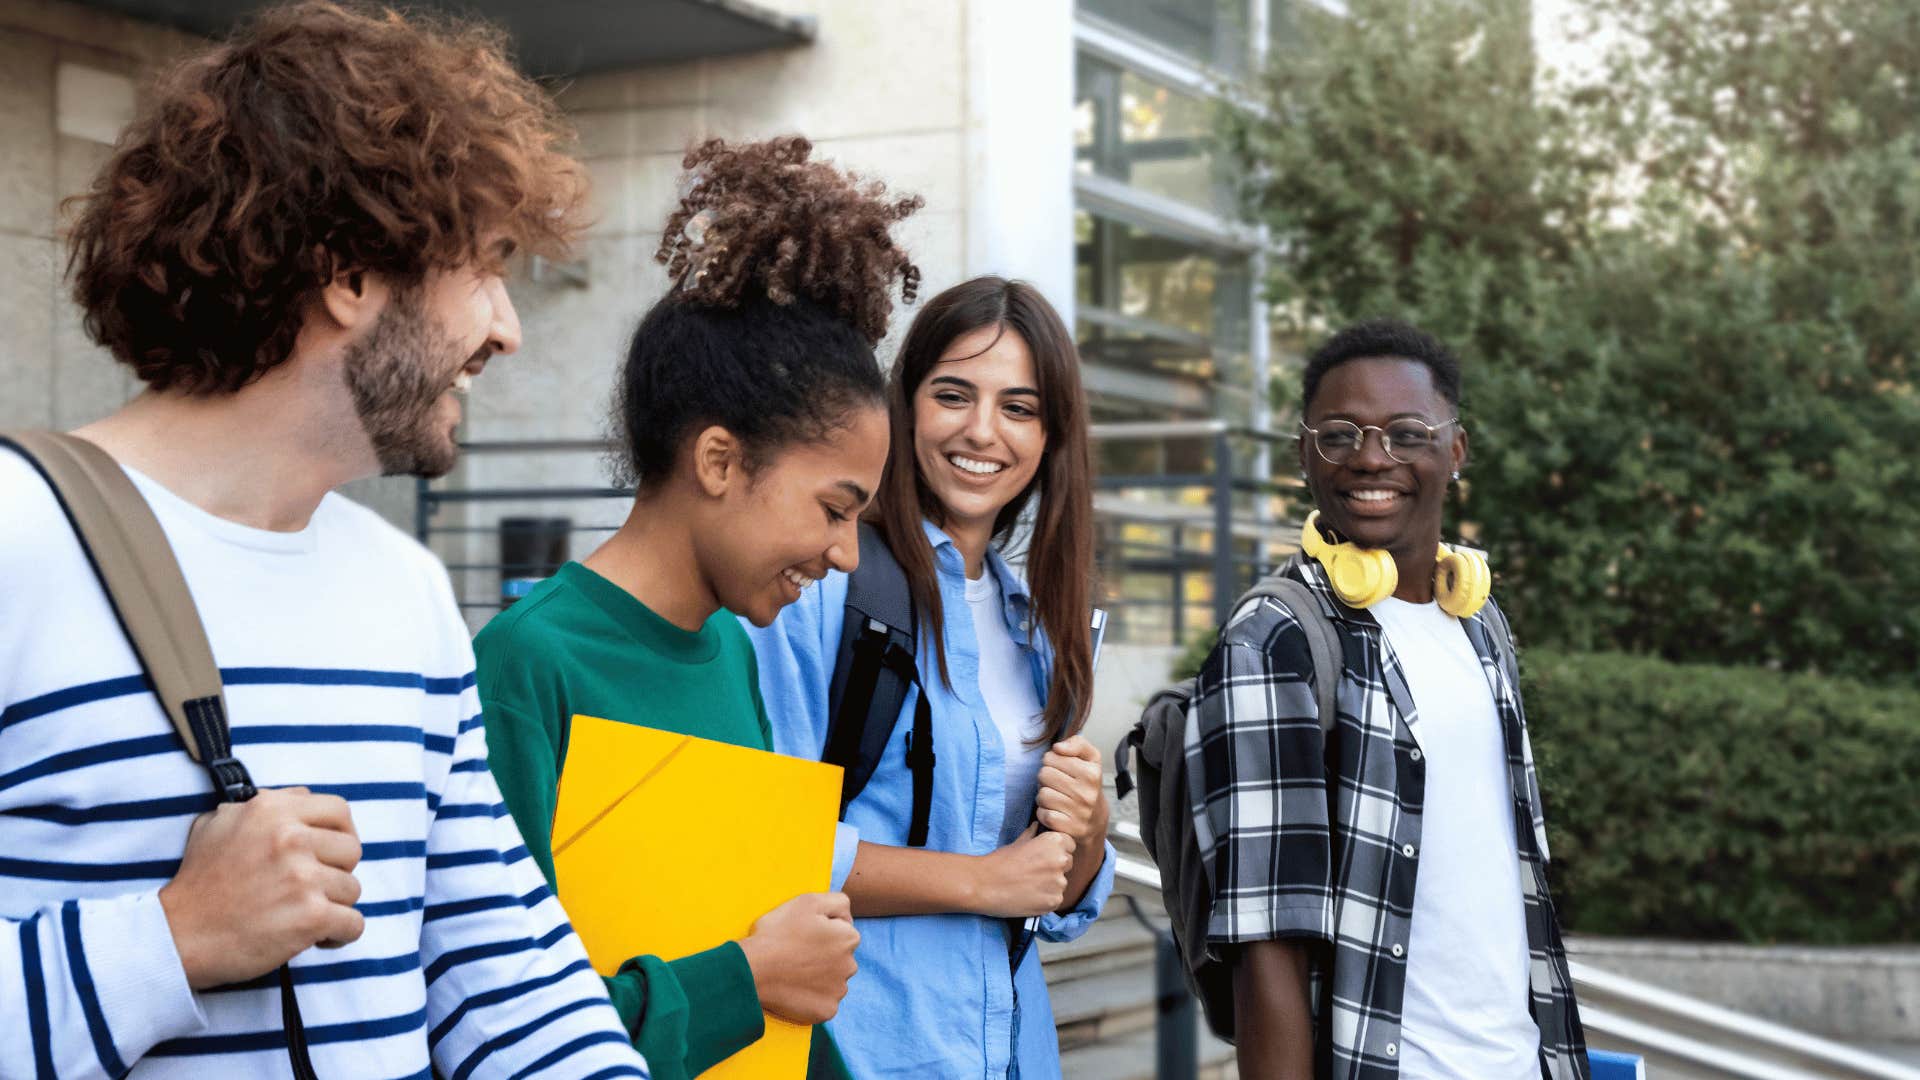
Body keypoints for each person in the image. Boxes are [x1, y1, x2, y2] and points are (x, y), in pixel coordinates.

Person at [0, 3, 651, 1077]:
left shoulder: (405, 590)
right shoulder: (19, 539)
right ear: (350, 274)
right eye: (484, 267)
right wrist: (169, 939)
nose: (507, 327)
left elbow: (496, 963)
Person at [472, 135, 921, 1080]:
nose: (845, 555)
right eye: (834, 509)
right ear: (719, 461)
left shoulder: (729, 650)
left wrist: (773, 982)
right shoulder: (525, 665)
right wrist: (744, 983)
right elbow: (500, 1025)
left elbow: (780, 980)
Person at [1188, 318, 1588, 1079]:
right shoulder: (1277, 638)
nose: (1373, 458)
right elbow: (1267, 934)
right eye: (1339, 435)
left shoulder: (1478, 623)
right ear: (1306, 455)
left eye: (1407, 433)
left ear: (1455, 451)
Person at [747, 276, 1115, 1078]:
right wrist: (981, 884)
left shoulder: (1036, 624)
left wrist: (1086, 832)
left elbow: (1055, 897)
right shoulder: (826, 584)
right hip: (867, 1046)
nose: (983, 431)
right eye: (954, 395)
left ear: (1051, 435)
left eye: (1019, 408)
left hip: (1011, 1051)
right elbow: (765, 844)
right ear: (905, 404)